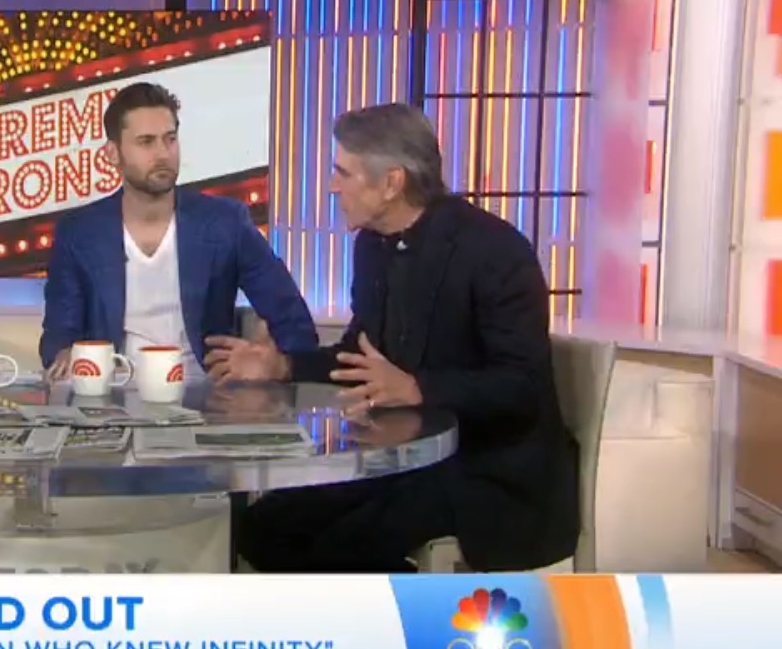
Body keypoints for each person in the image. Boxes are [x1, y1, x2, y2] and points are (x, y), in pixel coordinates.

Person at [205, 103, 580, 576]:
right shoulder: (373, 245)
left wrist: (418, 388)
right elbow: (357, 356)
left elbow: (521, 387)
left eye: (344, 173)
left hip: (489, 471)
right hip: (407, 459)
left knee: (334, 545)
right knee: (263, 527)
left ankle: (398, 613)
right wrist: (282, 366)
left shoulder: (494, 252)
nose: (332, 186)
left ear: (391, 183)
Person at [39, 82, 319, 380]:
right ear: (112, 153)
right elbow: (58, 335)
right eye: (146, 142)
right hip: (112, 395)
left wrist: (272, 360)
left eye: (170, 139)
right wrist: (65, 354)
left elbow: (294, 322)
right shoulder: (79, 232)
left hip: (206, 396)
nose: (163, 154)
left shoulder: (225, 223)